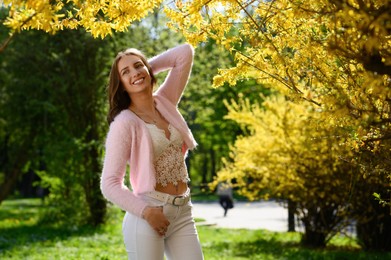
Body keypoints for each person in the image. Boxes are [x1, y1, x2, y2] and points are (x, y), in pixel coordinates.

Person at [100, 43, 204, 260]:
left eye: (138, 66)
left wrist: (143, 70)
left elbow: (184, 53)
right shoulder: (124, 123)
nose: (134, 73)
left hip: (183, 210)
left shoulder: (165, 101)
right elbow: (109, 183)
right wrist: (146, 212)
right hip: (148, 213)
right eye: (125, 72)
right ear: (120, 84)